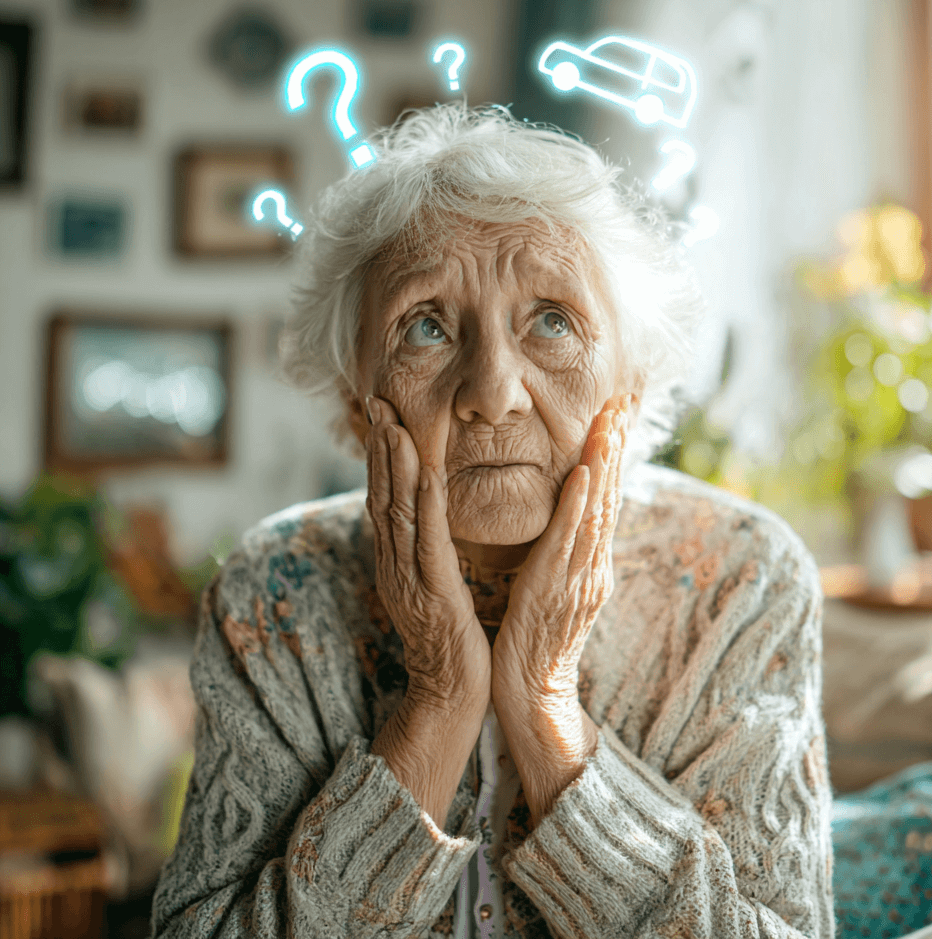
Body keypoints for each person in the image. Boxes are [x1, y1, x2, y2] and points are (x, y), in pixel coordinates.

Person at [151, 105, 835, 938]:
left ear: (633, 378)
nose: (493, 391)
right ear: (354, 398)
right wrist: (437, 699)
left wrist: (547, 712)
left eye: (553, 320)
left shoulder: (740, 575)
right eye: (426, 327)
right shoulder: (276, 588)